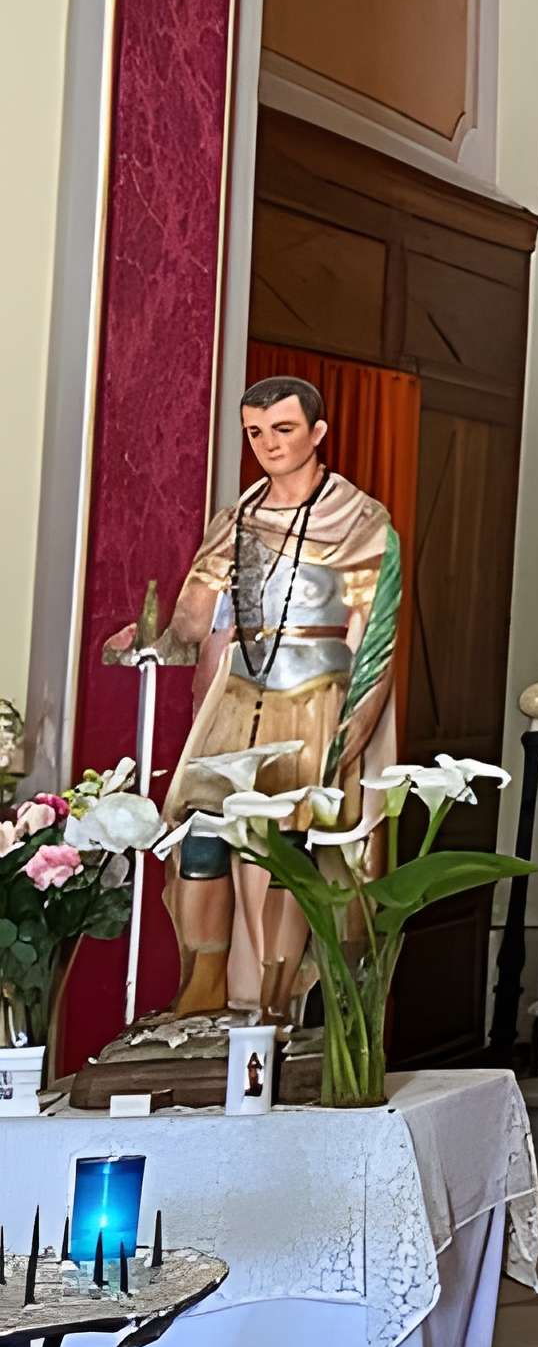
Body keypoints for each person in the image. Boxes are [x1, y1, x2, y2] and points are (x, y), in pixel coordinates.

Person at [107, 377, 402, 1019]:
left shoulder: (359, 520)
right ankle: (205, 984)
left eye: (283, 429)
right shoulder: (236, 518)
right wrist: (153, 636)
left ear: (318, 434)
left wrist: (357, 723)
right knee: (202, 831)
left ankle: (274, 995)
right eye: (255, 432)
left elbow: (374, 634)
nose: (267, 444)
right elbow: (191, 619)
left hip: (315, 698)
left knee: (291, 845)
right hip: (239, 697)